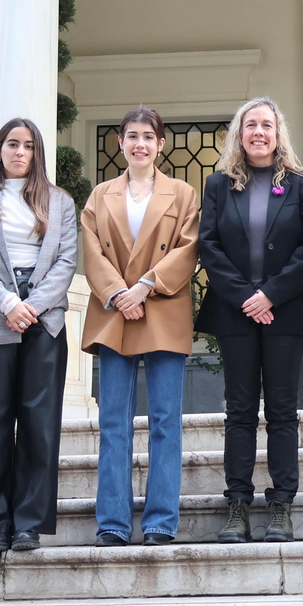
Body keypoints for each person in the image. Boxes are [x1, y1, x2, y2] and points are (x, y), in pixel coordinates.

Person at [195, 96, 303, 543]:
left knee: (284, 411)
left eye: (266, 125)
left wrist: (269, 294)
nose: (258, 133)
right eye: (250, 125)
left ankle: (281, 506)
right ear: (239, 132)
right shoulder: (218, 185)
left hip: (286, 312)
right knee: (239, 411)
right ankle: (237, 505)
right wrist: (246, 297)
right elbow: (208, 245)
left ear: (278, 133)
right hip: (235, 312)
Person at [80, 107, 200, 547]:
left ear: (161, 144)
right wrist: (117, 292)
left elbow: (188, 249)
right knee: (114, 421)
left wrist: (145, 286)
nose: (140, 144)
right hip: (115, 311)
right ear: (120, 143)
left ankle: (160, 522)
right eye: (132, 136)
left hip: (162, 306)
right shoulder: (99, 196)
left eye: (148, 136)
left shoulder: (183, 193)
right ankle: (112, 522)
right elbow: (91, 251)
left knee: (167, 420)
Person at [0, 118, 78, 553]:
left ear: (37, 153)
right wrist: (8, 303)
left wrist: (34, 305)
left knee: (38, 425)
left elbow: (66, 262)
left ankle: (28, 523)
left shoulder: (59, 201)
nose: (20, 152)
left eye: (28, 146)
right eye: (12, 144)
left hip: (44, 320)